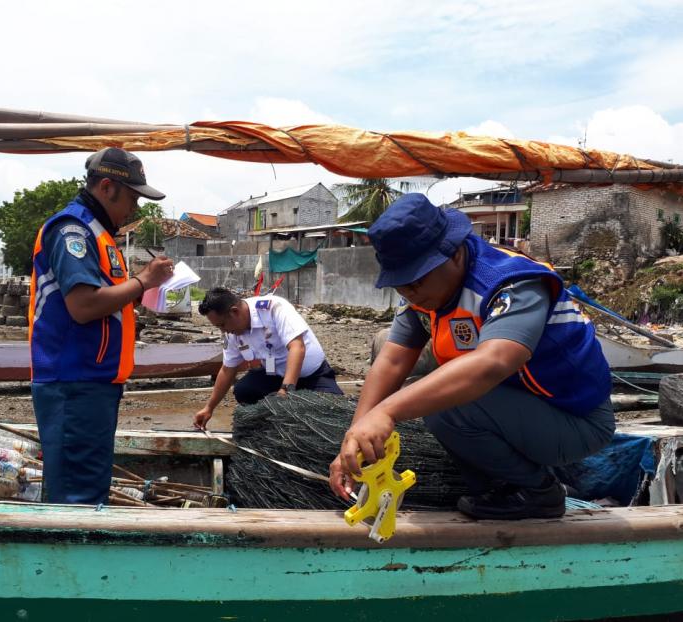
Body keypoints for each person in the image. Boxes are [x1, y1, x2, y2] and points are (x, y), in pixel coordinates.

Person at [328, 194, 614, 520]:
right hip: (515, 406)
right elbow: (392, 360)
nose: (410, 294)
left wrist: (388, 412)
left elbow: (492, 363)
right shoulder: (424, 293)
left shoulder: (511, 282)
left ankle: (538, 493)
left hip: (575, 418)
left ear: (453, 253)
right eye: (401, 285)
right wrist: (355, 436)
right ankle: (497, 488)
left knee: (446, 404)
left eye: (416, 281)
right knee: (418, 388)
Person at [29, 147, 174, 504]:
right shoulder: (72, 230)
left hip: (93, 384)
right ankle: (70, 559)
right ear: (107, 188)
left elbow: (104, 299)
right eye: (133, 198)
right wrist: (143, 281)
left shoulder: (100, 235)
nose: (135, 209)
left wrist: (141, 292)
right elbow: (83, 305)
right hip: (73, 384)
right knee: (77, 498)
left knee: (88, 489)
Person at [193, 287, 343, 429]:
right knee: (244, 391)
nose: (223, 330)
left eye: (222, 325)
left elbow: (297, 347)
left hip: (311, 375)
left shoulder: (274, 308)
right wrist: (209, 408)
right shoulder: (232, 333)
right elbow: (227, 370)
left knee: (332, 409)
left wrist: (285, 390)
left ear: (235, 312)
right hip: (274, 375)